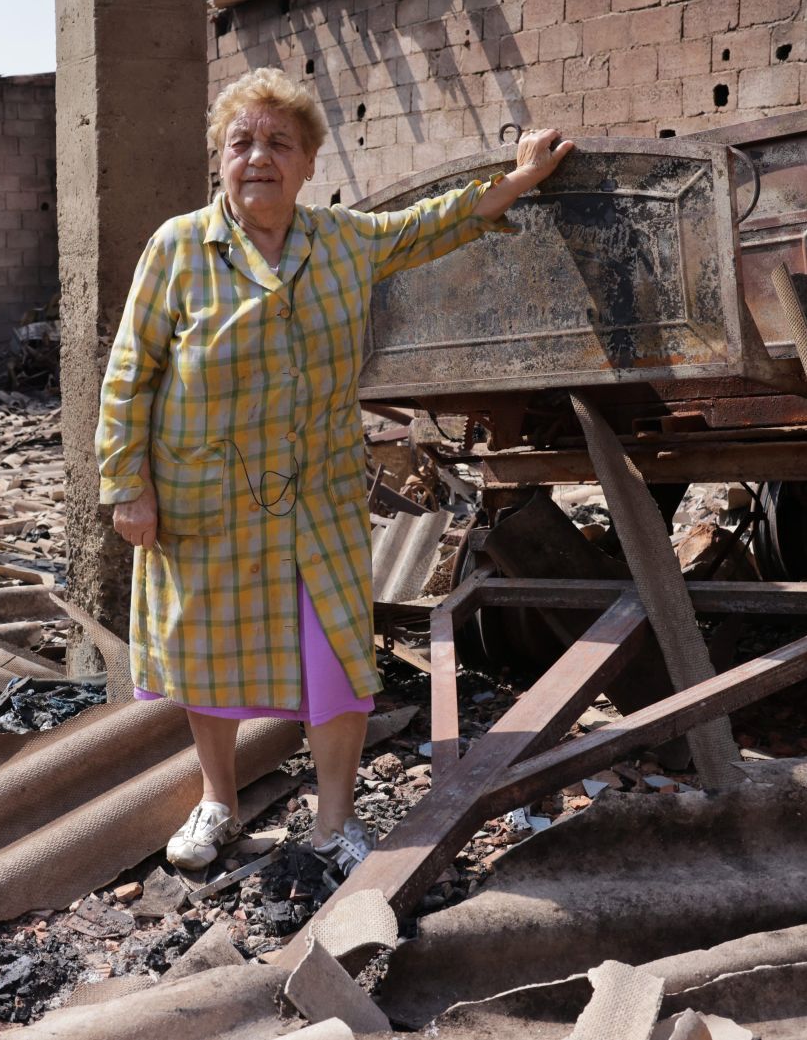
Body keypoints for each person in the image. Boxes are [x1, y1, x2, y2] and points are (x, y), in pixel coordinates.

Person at [95, 67, 574, 875]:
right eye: (241, 142)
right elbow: (128, 373)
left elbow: (432, 225)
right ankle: (217, 799)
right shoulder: (178, 248)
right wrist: (127, 484)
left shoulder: (344, 242)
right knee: (206, 659)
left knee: (339, 660)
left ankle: (334, 822)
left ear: (309, 161)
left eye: (279, 142)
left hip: (314, 496)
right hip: (204, 494)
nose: (259, 157)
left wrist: (521, 179)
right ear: (219, 157)